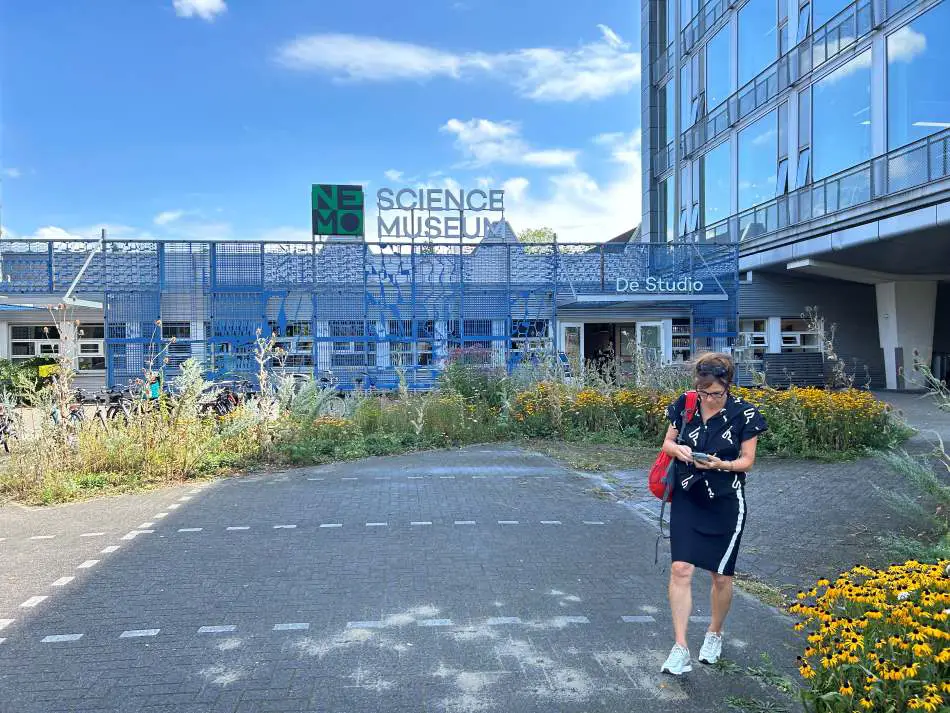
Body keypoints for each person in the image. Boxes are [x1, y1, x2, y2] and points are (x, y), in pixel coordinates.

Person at [658, 352, 768, 675]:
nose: (709, 398)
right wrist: (677, 449)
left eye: (716, 393)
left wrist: (721, 464)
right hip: (687, 497)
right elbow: (667, 442)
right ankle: (680, 647)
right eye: (704, 392)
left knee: (720, 576)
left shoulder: (745, 414)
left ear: (728, 386)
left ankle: (715, 632)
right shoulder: (685, 404)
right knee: (680, 568)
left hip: (725, 502)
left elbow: (748, 461)